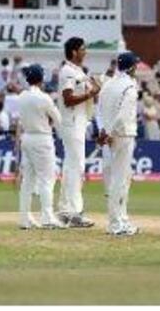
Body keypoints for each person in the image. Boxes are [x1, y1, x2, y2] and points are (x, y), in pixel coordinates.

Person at [96, 51, 141, 236]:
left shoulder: (108, 84)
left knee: (121, 179)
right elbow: (123, 115)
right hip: (122, 135)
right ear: (131, 67)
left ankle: (122, 219)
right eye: (136, 65)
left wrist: (104, 131)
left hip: (109, 135)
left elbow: (99, 111)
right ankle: (116, 224)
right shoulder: (130, 86)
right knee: (119, 180)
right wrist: (111, 132)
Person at [57, 37, 100, 228]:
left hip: (79, 122)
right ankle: (75, 213)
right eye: (83, 49)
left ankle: (65, 210)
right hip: (72, 123)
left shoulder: (78, 71)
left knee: (70, 167)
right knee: (77, 167)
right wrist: (90, 94)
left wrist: (94, 91)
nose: (85, 52)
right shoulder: (67, 71)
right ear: (74, 52)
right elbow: (68, 99)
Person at [16, 64, 65, 230]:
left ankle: (24, 218)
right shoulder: (44, 98)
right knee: (46, 179)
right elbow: (58, 120)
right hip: (42, 139)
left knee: (28, 181)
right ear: (41, 79)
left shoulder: (21, 96)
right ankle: (47, 217)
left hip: (27, 138)